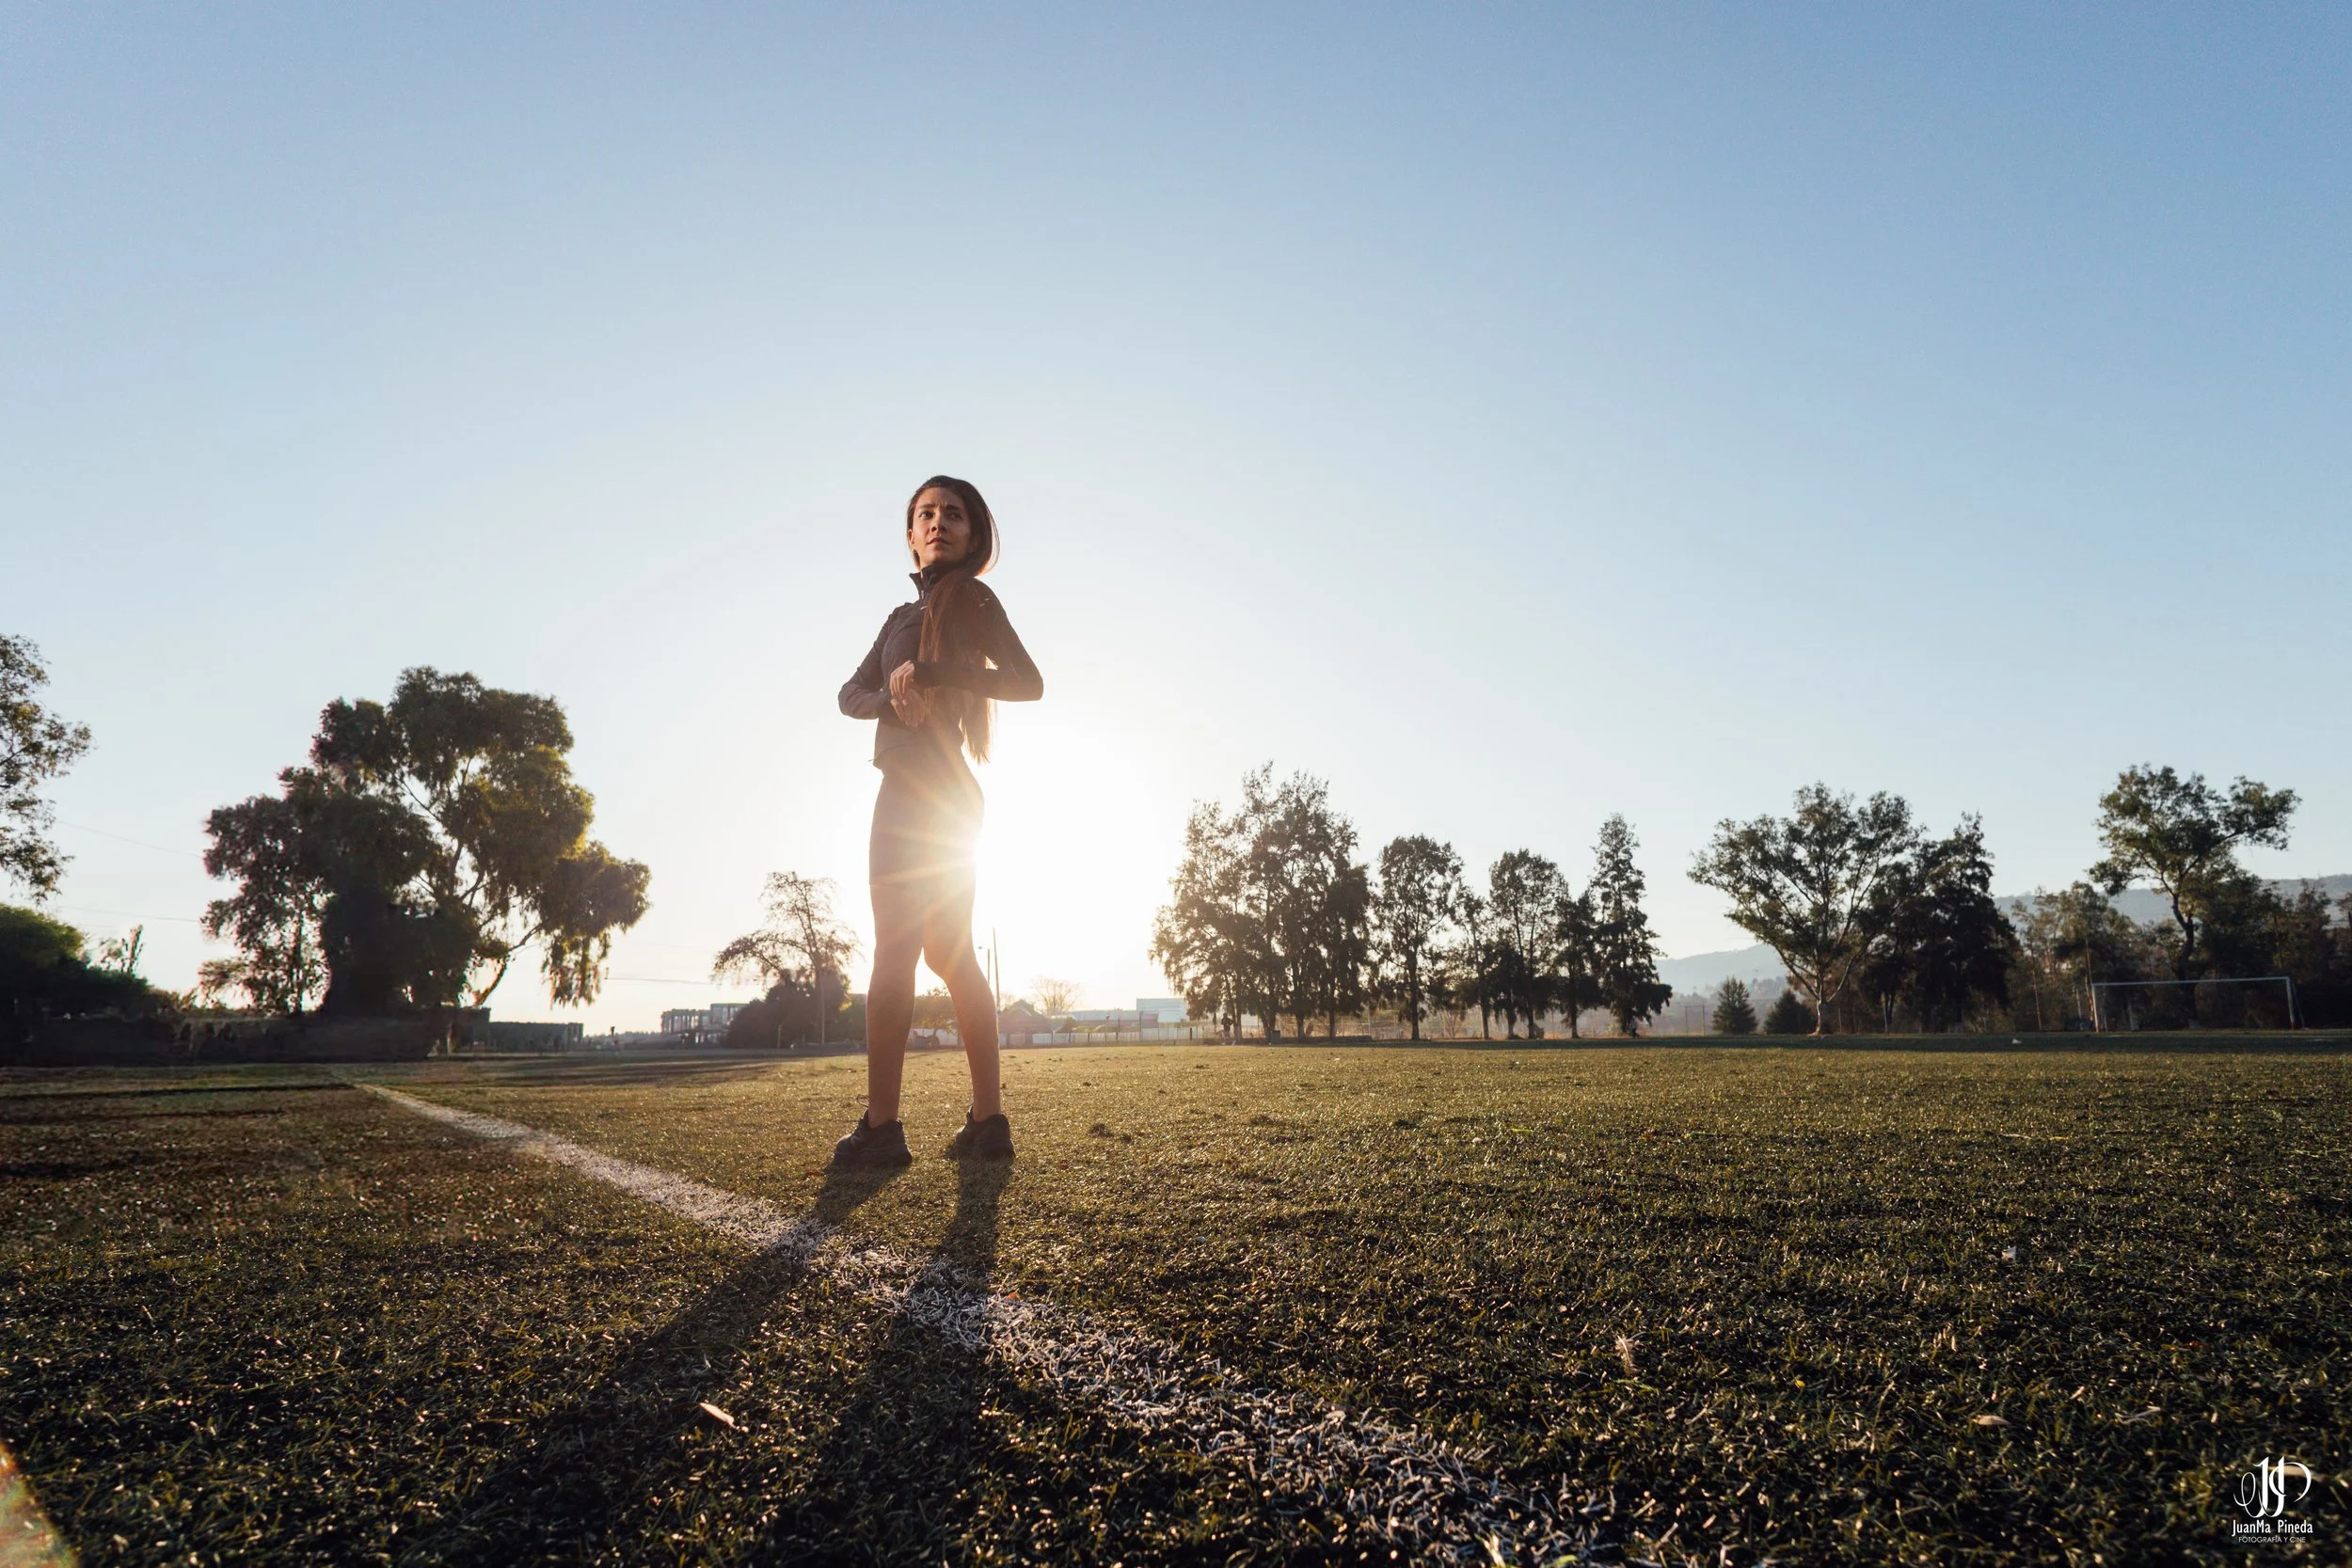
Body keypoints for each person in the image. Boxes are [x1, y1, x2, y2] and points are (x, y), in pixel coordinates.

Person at [834, 476, 1042, 1166]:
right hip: (932, 794)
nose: (938, 522)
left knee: (900, 949)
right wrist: (891, 702)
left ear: (973, 534)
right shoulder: (898, 617)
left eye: (953, 513)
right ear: (910, 534)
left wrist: (936, 674)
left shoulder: (972, 599)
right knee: (948, 956)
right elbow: (849, 692)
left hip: (929, 794)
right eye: (926, 513)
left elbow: (1028, 681)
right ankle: (988, 1122)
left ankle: (883, 1128)